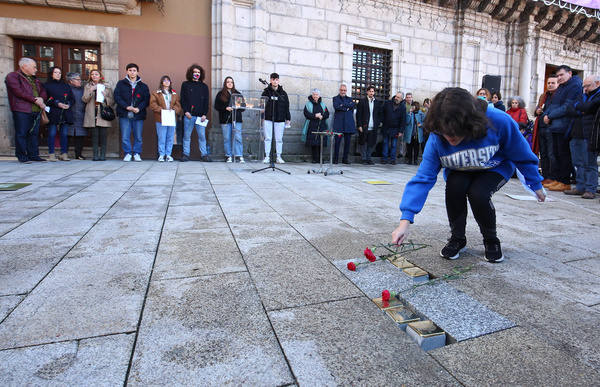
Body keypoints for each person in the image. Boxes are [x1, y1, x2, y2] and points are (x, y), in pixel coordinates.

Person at [391, 87, 545, 263]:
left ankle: (491, 240)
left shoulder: (499, 121)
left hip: (494, 167)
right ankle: (457, 238)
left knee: (478, 193)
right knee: (454, 187)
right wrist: (405, 222)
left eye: (456, 132)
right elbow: (423, 178)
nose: (450, 137)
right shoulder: (436, 137)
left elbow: (522, 153)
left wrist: (535, 184)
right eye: (445, 132)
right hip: (460, 169)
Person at [543, 65, 583, 192]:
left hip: (564, 125)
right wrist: (546, 114)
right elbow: (554, 104)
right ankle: (557, 179)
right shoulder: (561, 87)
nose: (559, 78)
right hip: (555, 124)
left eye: (561, 75)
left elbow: (567, 106)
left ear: (570, 73)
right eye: (558, 75)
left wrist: (550, 115)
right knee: (555, 154)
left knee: (563, 155)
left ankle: (564, 181)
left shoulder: (575, 85)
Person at [563, 75, 600, 199]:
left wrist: (581, 107)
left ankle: (590, 189)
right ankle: (580, 186)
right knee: (578, 162)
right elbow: (571, 108)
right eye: (584, 86)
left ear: (597, 83)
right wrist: (582, 108)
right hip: (577, 132)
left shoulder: (598, 96)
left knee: (590, 163)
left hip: (591, 134)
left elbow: (589, 107)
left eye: (588, 85)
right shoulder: (583, 94)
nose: (585, 89)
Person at [5, 57, 48, 163]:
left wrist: (41, 98)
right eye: (34, 67)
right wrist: (35, 100)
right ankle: (22, 156)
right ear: (24, 66)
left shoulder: (35, 79)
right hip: (21, 110)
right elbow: (18, 92)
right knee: (22, 133)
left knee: (34, 133)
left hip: (36, 110)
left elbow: (43, 90)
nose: (36, 69)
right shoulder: (13, 76)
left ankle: (33, 155)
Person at [114, 63, 150, 162]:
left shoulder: (143, 86)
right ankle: (128, 153)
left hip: (138, 114)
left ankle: (137, 153)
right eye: (130, 70)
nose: (132, 72)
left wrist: (139, 108)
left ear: (137, 72)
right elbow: (117, 97)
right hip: (124, 113)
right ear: (127, 71)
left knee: (138, 135)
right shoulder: (120, 84)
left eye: (134, 70)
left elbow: (146, 100)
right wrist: (126, 106)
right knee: (125, 135)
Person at [180, 64, 211, 162]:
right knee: (186, 136)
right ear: (191, 73)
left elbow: (206, 102)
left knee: (202, 136)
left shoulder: (204, 86)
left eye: (198, 72)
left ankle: (204, 155)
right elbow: (183, 100)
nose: (196, 74)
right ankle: (185, 154)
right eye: (195, 72)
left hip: (200, 117)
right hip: (189, 116)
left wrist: (204, 114)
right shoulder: (185, 84)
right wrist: (186, 111)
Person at [82, 69, 114, 161]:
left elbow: (112, 102)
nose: (94, 76)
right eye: (92, 74)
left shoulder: (107, 87)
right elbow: (84, 99)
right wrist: (91, 90)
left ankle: (103, 155)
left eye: (96, 74)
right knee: (94, 136)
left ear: (100, 76)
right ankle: (95, 155)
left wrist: (105, 97)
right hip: (92, 113)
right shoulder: (88, 86)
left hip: (103, 113)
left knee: (103, 136)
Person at [44, 66, 75, 162]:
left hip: (65, 113)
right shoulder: (46, 85)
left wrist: (68, 104)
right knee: (52, 133)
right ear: (51, 74)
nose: (58, 74)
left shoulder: (66, 86)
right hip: (53, 112)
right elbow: (46, 99)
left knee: (64, 134)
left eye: (59, 73)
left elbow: (72, 99)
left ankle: (64, 153)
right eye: (56, 72)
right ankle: (51, 154)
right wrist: (57, 103)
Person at [150, 75, 182, 162]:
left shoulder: (174, 94)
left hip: (171, 118)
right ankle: (161, 155)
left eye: (168, 80)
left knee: (170, 137)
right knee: (161, 137)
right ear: (161, 82)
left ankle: (168, 154)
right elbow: (152, 104)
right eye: (164, 80)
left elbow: (178, 105)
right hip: (160, 118)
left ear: (170, 83)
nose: (166, 82)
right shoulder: (156, 93)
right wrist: (162, 110)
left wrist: (174, 109)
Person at [534, 75, 559, 185]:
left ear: (558, 84)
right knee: (543, 154)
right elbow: (538, 108)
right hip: (541, 127)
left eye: (553, 83)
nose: (550, 85)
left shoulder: (559, 96)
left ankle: (552, 177)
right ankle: (545, 176)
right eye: (549, 83)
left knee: (551, 153)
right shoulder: (544, 96)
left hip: (552, 127)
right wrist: (537, 111)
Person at [261, 72, 291, 164]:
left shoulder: (283, 93)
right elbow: (262, 105)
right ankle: (267, 156)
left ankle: (278, 156)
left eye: (276, 79)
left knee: (279, 139)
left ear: (278, 80)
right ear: (270, 80)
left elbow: (287, 106)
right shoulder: (266, 91)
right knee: (268, 138)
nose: (275, 81)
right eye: (273, 79)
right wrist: (262, 118)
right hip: (268, 118)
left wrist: (288, 119)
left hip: (280, 119)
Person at [215, 76, 245, 163]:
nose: (230, 83)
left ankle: (239, 155)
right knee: (227, 138)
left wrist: (236, 107)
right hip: (225, 120)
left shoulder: (238, 94)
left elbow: (243, 107)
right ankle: (228, 156)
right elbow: (217, 106)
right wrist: (225, 108)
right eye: (228, 82)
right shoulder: (220, 94)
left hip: (236, 119)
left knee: (238, 137)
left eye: (231, 82)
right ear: (225, 83)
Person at [356, 85, 383, 165]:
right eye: (370, 91)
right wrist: (359, 125)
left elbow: (379, 114)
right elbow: (358, 115)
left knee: (371, 143)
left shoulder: (377, 102)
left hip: (373, 126)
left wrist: (378, 123)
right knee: (363, 142)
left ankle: (369, 158)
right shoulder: (362, 101)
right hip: (364, 126)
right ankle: (364, 158)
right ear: (367, 92)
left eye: (373, 91)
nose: (371, 93)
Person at [302, 88, 330, 163]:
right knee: (314, 143)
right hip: (312, 125)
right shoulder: (308, 104)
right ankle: (314, 159)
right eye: (314, 94)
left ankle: (320, 159)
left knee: (320, 143)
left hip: (321, 126)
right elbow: (306, 114)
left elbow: (327, 114)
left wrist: (322, 116)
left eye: (317, 95)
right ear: (312, 95)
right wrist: (315, 116)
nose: (315, 96)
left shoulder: (323, 104)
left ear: (319, 95)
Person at [332, 83, 356, 164]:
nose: (343, 91)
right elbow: (336, 107)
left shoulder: (350, 99)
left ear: (346, 91)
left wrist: (343, 105)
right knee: (337, 143)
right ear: (339, 90)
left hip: (348, 125)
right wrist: (347, 107)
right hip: (338, 124)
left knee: (347, 143)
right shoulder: (335, 98)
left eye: (344, 90)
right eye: (342, 90)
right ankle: (335, 160)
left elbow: (352, 106)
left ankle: (345, 159)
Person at [66, 72, 87, 160]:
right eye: (78, 80)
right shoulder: (66, 89)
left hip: (81, 114)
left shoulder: (83, 89)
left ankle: (78, 154)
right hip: (69, 114)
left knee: (80, 136)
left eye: (80, 79)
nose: (80, 81)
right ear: (71, 81)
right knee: (67, 135)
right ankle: (64, 153)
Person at [381, 92, 406, 165]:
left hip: (395, 129)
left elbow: (403, 120)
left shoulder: (403, 107)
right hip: (386, 127)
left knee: (394, 144)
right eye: (396, 96)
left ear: (401, 99)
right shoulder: (387, 103)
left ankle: (392, 159)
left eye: (398, 97)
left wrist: (401, 131)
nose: (396, 98)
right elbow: (382, 112)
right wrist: (382, 121)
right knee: (385, 143)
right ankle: (384, 159)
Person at [404, 101, 425, 165]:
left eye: (414, 106)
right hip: (410, 133)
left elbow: (425, 122)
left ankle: (415, 160)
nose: (412, 107)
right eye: (412, 106)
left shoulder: (421, 113)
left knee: (416, 148)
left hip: (417, 134)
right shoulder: (409, 113)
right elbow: (407, 122)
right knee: (409, 147)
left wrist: (421, 124)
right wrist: (409, 113)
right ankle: (410, 160)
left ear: (417, 106)